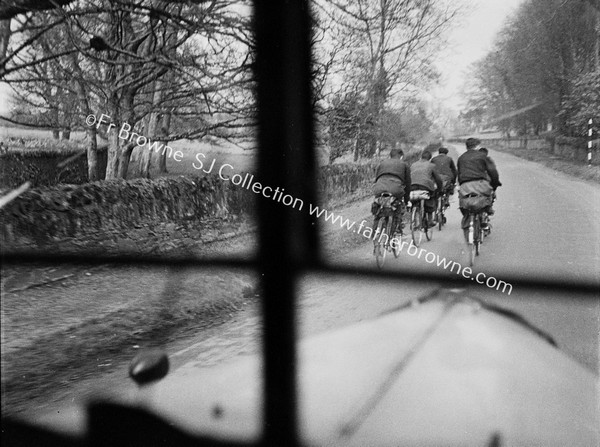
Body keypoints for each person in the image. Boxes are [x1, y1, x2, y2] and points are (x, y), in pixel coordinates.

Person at [457, 138, 501, 228]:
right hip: (480, 184)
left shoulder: (461, 158)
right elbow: (492, 171)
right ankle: (485, 215)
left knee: (464, 201)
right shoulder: (482, 156)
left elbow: (459, 173)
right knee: (488, 196)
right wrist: (495, 184)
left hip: (465, 186)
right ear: (477, 146)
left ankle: (468, 219)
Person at [372, 148, 411, 233]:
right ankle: (397, 226)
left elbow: (376, 178)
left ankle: (375, 229)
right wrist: (407, 200)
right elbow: (408, 184)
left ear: (390, 156)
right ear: (401, 157)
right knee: (399, 205)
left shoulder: (381, 163)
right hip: (395, 189)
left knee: (378, 204)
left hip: (379, 187)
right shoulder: (404, 165)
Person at [410, 150, 443, 226]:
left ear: (421, 157)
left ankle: (414, 215)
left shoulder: (413, 164)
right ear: (430, 158)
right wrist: (439, 189)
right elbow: (438, 179)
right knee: (431, 198)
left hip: (412, 185)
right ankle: (430, 219)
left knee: (414, 199)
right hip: (425, 185)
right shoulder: (431, 165)